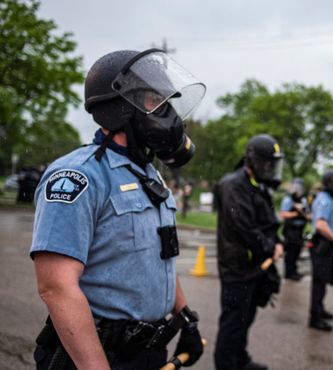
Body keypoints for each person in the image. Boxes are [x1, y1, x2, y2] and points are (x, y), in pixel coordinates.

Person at [30, 49, 205, 369]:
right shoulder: (78, 176)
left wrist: (185, 317)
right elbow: (57, 287)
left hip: (147, 352)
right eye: (155, 100)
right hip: (93, 354)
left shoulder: (149, 175)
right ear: (120, 106)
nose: (167, 112)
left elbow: (161, 255)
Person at [213, 134, 285, 370]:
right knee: (233, 322)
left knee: (246, 318)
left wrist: (278, 242)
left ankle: (240, 359)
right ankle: (226, 365)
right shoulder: (233, 185)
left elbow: (267, 222)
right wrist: (269, 247)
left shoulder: (258, 185)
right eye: (267, 163)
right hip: (238, 268)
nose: (271, 169)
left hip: (255, 267)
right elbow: (243, 225)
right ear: (253, 161)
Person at [309, 168, 333, 332]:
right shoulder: (325, 200)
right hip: (322, 245)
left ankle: (320, 310)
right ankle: (315, 318)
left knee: (323, 280)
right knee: (319, 282)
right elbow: (320, 225)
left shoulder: (327, 198)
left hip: (325, 246)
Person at [279, 178, 310, 281]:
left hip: (300, 229)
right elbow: (283, 214)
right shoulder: (288, 199)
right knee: (290, 252)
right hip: (291, 229)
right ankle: (289, 273)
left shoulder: (303, 200)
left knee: (297, 251)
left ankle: (294, 271)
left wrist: (305, 215)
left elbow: (308, 213)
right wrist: (296, 213)